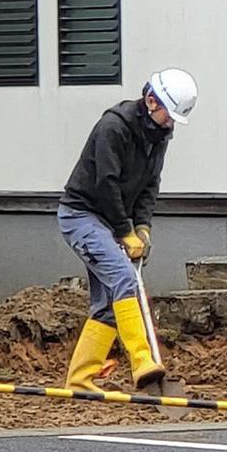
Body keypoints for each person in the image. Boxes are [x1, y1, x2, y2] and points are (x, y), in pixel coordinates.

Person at [59, 67, 198, 394]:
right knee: (123, 278)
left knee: (109, 304)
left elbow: (150, 185)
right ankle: (142, 361)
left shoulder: (159, 137)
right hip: (82, 215)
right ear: (151, 100)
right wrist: (124, 231)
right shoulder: (113, 128)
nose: (171, 123)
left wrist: (142, 227)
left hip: (113, 221)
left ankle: (80, 381)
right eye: (169, 115)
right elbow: (106, 184)